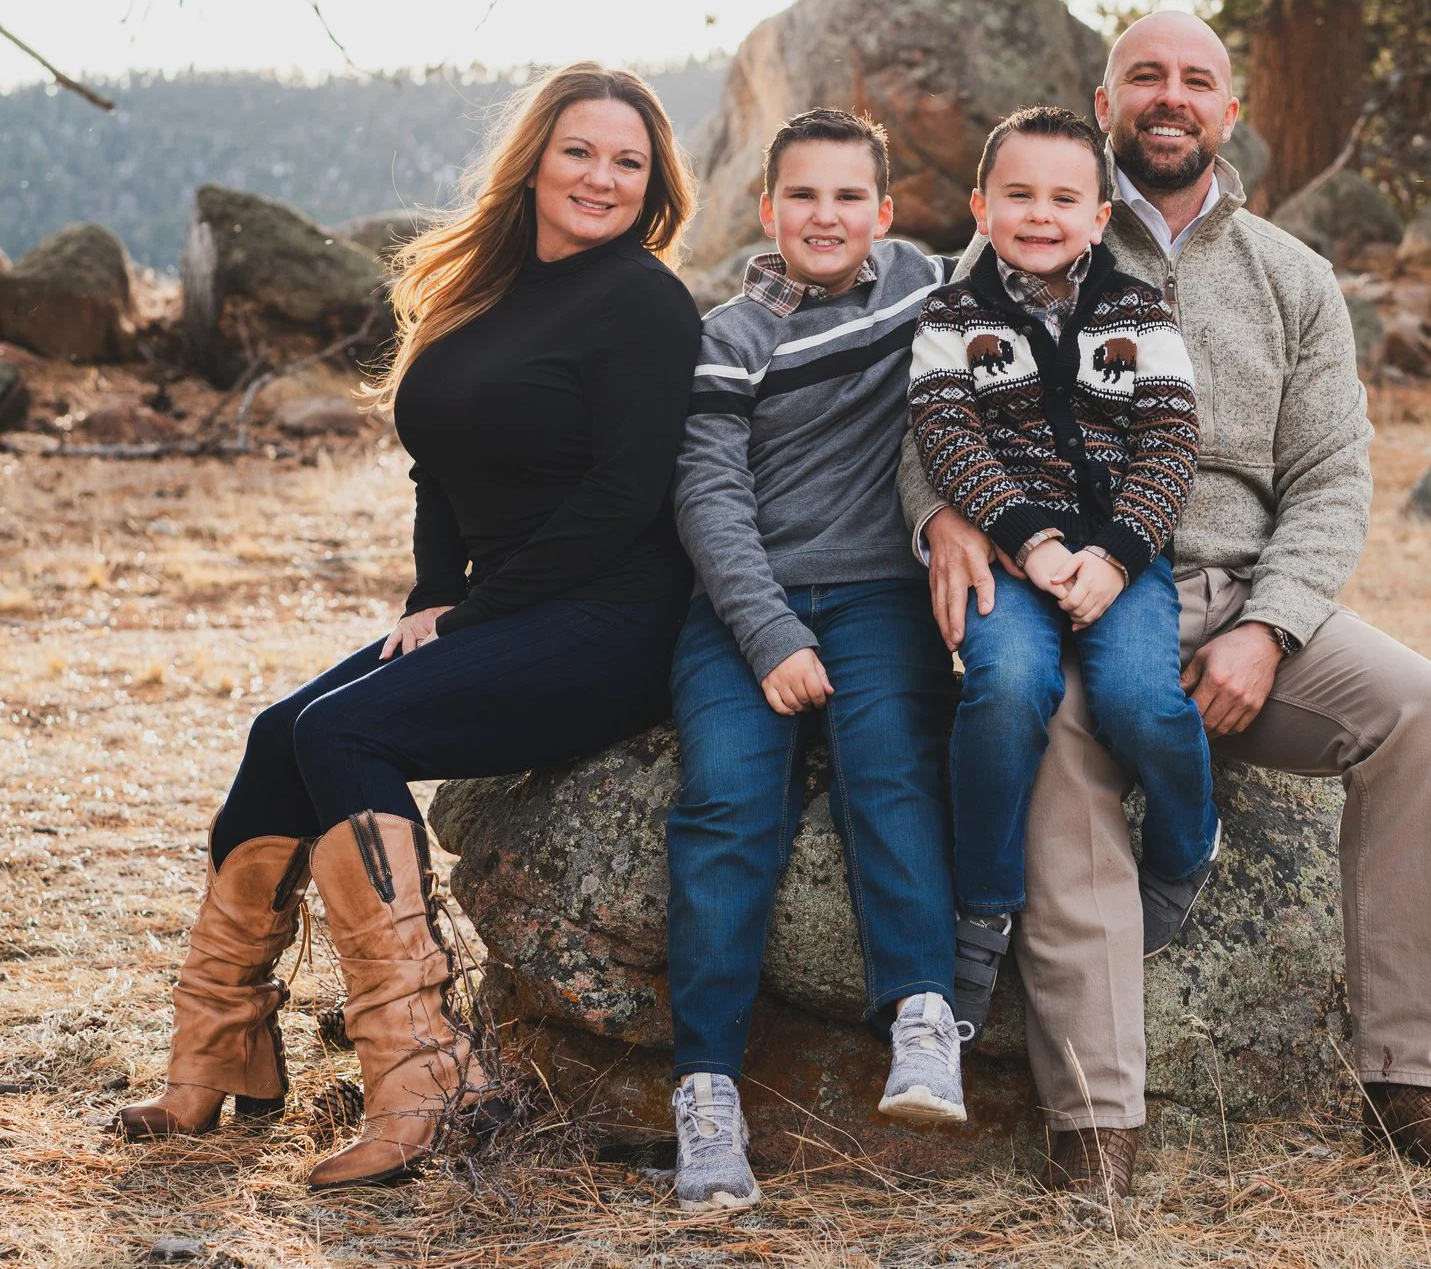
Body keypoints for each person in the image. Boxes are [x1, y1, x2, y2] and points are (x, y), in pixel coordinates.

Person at [902, 14, 1431, 1199]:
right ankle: (1096, 1125)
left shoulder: (1291, 275)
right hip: (1068, 590)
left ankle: (1410, 1078)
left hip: (1240, 590)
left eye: (1197, 81)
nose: (1170, 96)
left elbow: (1335, 475)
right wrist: (938, 518)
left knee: (1420, 707)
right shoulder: (1029, 240)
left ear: (1228, 114)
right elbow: (929, 421)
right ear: (1105, 103)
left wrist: (1269, 623)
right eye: (1147, 76)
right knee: (1059, 750)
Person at [114, 62, 702, 1191]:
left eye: (629, 162)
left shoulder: (641, 301)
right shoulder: (481, 288)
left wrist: (478, 612)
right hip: (507, 604)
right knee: (280, 729)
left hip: (616, 619)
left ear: (653, 185)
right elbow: (441, 465)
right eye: (581, 150)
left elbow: (627, 496)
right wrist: (432, 599)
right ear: (533, 157)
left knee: (345, 734)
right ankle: (214, 1055)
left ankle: (426, 1081)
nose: (602, 176)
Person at [663, 108, 965, 1213]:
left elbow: (1046, 239)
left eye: (849, 197)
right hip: (745, 608)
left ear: (883, 213)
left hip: (884, 593)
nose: (825, 216)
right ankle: (705, 1094)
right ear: (768, 208)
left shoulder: (926, 289)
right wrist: (770, 634)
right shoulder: (730, 335)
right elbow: (708, 495)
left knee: (887, 766)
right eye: (803, 196)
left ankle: (924, 1018)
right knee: (728, 805)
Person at [904, 108, 1211, 1039]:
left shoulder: (1138, 312)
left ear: (1100, 209)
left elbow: (1171, 441)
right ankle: (984, 907)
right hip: (1011, 549)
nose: (1041, 214)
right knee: (1004, 685)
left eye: (1064, 197)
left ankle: (1184, 847)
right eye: (1019, 194)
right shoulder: (949, 317)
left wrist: (1118, 557)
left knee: (1138, 700)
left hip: (1127, 554)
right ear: (981, 205)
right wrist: (1032, 541)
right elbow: (948, 437)